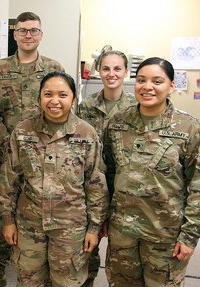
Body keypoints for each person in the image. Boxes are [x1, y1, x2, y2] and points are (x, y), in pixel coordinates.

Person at [104, 57, 200, 286]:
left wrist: (190, 236)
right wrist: (103, 217)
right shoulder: (117, 124)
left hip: (165, 237)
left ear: (171, 86)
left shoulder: (188, 128)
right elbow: (108, 174)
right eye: (141, 80)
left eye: (157, 81)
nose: (147, 87)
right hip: (122, 235)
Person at [0, 71, 109, 286]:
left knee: (66, 282)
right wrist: (7, 220)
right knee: (30, 280)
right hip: (29, 225)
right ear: (39, 97)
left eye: (63, 95)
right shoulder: (23, 131)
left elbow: (96, 185)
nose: (54, 101)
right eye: (48, 94)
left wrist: (94, 228)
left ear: (74, 99)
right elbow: (8, 179)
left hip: (70, 227)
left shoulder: (86, 134)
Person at [0, 11, 64, 286]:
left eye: (34, 30)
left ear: (41, 35)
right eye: (23, 30)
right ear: (15, 35)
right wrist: (10, 146)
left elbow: (61, 110)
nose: (28, 35)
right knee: (2, 213)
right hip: (7, 157)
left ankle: (35, 269)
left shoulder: (54, 68)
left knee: (38, 215)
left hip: (44, 160)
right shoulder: (0, 69)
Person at [77, 50, 136, 286]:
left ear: (126, 72)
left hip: (125, 188)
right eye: (106, 69)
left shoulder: (136, 106)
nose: (111, 74)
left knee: (124, 255)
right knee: (86, 250)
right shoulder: (86, 106)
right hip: (92, 186)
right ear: (98, 71)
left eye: (117, 69)